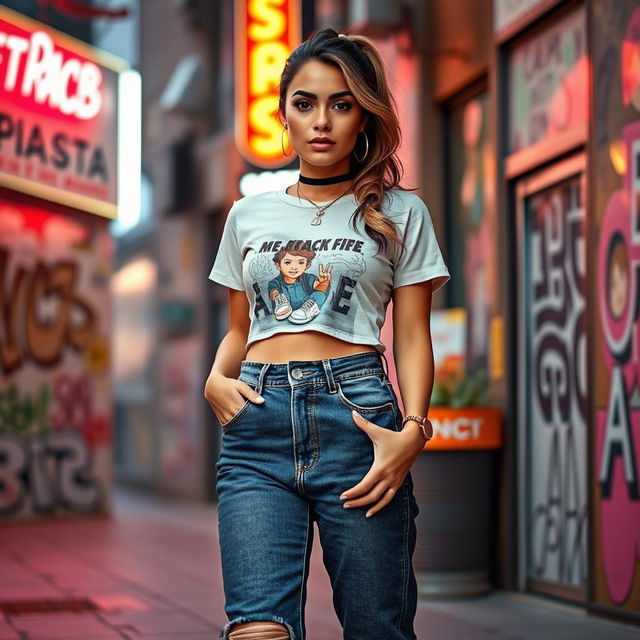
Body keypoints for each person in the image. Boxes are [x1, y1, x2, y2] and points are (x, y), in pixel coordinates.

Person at [204, 27, 451, 640]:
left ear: (363, 117)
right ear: (284, 113)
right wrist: (214, 378)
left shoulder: (400, 212)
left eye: (341, 104)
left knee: (376, 628)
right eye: (305, 103)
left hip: (359, 424)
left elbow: (413, 336)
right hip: (256, 427)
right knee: (256, 630)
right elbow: (242, 328)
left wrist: (414, 430)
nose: (322, 121)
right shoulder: (248, 213)